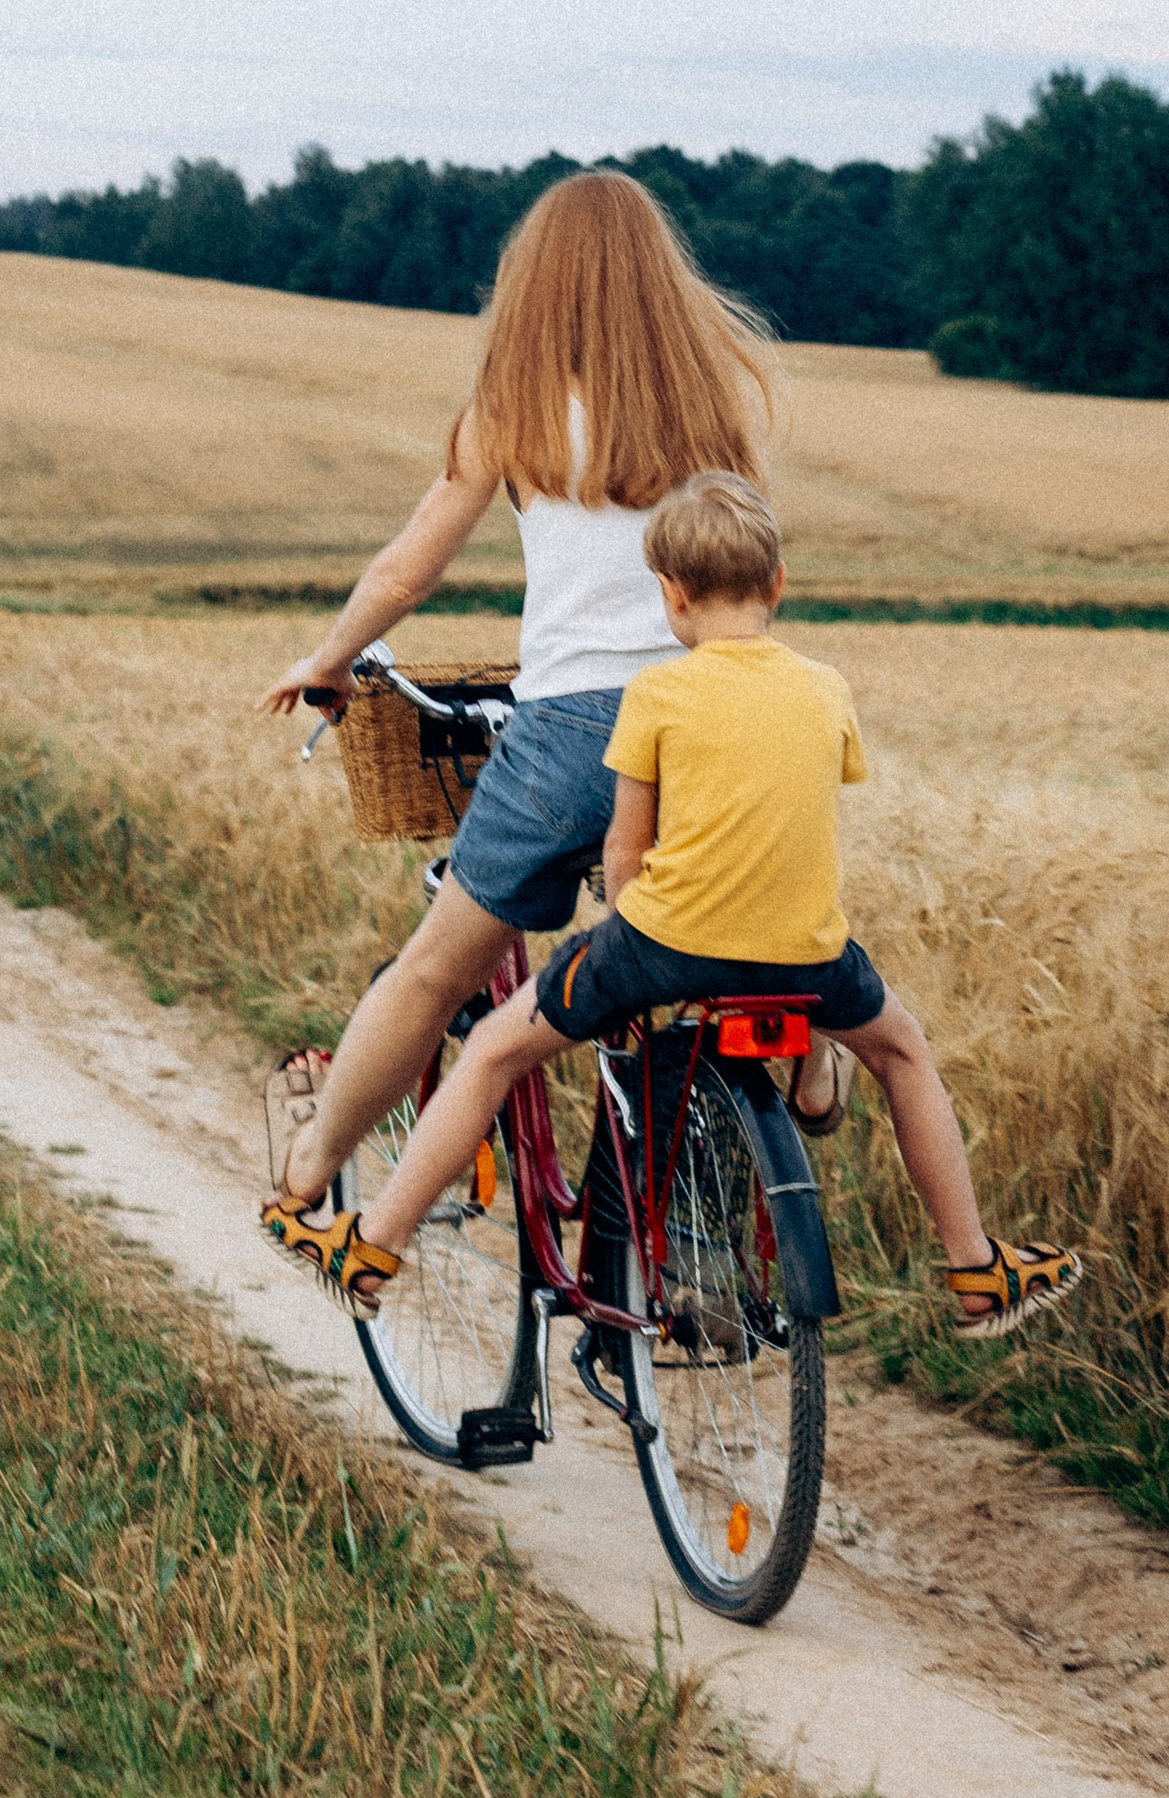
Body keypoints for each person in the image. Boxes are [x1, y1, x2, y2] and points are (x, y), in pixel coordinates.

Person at [272, 467, 1085, 1340]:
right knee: (903, 1053)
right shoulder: (826, 689)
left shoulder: (656, 695)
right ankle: (974, 1268)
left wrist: (625, 942)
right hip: (808, 955)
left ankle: (372, 1249)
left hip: (660, 947)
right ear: (777, 584)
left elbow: (626, 848)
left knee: (495, 1052)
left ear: (669, 595)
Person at [256, 165, 779, 1239]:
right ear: (662, 279)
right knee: (740, 948)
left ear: (532, 285)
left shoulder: (514, 408)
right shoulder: (720, 400)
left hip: (571, 738)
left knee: (434, 972)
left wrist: (331, 657)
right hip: (720, 721)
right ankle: (742, 1181)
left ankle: (311, 1168)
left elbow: (407, 571)